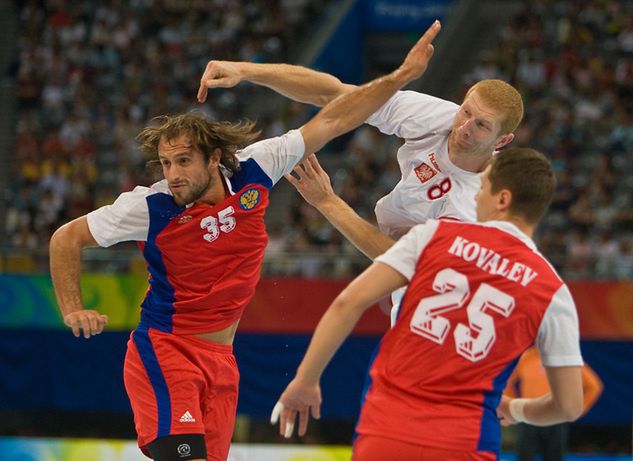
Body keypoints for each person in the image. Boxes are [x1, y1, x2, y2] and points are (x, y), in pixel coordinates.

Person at [48, 21, 441, 461]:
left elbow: (334, 117)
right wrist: (72, 307)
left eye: (183, 161)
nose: (172, 174)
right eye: (164, 164)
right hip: (166, 350)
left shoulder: (255, 168)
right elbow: (66, 237)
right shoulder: (150, 207)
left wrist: (400, 78)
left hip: (222, 362)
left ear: (215, 159)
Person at [270, 147, 584, 461]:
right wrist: (516, 409)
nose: (475, 197)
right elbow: (569, 405)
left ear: (502, 199)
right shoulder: (553, 292)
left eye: (482, 187)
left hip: (388, 428)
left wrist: (306, 379)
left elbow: (348, 302)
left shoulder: (435, 235)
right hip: (467, 441)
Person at [198, 53, 524, 324]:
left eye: (482, 125)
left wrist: (327, 202)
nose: (465, 127)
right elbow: (336, 95)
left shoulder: (476, 204)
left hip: (445, 310)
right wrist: (244, 70)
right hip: (414, 274)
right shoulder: (441, 117)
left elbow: (399, 260)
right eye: (466, 111)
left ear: (503, 140)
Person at [505, 347, 603, 461]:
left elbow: (593, 386)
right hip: (529, 416)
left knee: (554, 457)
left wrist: (577, 410)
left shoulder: (566, 359)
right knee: (525, 456)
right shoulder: (525, 358)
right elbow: (506, 382)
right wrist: (512, 407)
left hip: (555, 417)